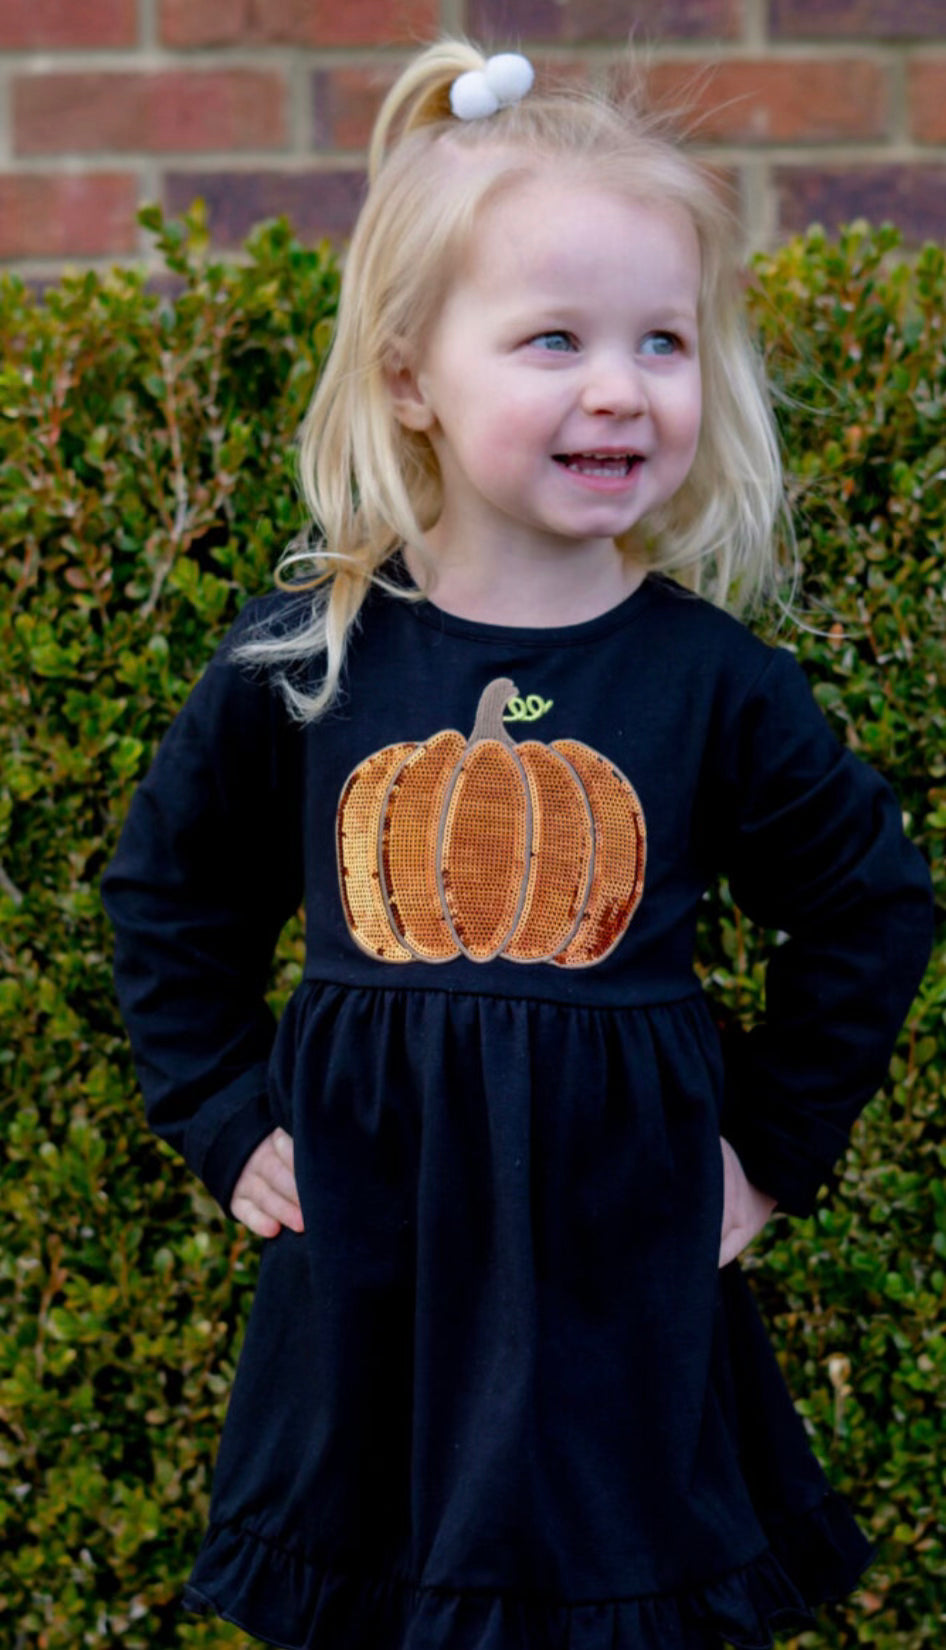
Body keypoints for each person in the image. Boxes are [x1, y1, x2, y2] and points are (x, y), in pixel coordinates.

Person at [102, 38, 934, 1650]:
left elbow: (867, 908)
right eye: (552, 338)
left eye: (661, 342)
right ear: (412, 370)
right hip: (374, 1296)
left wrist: (767, 1146)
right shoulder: (309, 662)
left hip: (618, 1289)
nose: (618, 387)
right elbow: (169, 895)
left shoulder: (715, 687)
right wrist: (218, 1110)